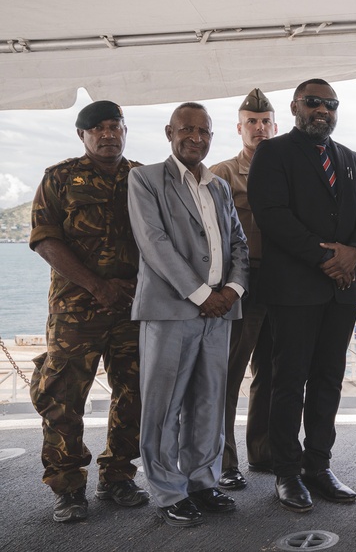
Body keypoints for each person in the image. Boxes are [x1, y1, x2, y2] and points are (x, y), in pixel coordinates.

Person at [247, 78, 356, 513]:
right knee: (289, 381)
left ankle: (318, 466)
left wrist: (355, 252)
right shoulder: (274, 152)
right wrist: (326, 257)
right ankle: (287, 471)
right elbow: (271, 214)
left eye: (330, 104)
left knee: (328, 381)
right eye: (313, 102)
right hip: (294, 290)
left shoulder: (351, 159)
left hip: (340, 292)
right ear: (295, 107)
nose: (322, 110)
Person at [128, 103, 250, 527]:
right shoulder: (144, 179)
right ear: (169, 132)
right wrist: (202, 294)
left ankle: (202, 481)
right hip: (171, 311)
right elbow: (154, 243)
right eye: (187, 129)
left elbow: (239, 242)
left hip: (221, 312)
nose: (195, 137)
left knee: (209, 401)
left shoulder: (217, 186)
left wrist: (232, 289)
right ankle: (167, 489)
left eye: (204, 131)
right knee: (164, 406)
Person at [28, 100, 149, 523]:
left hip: (133, 306)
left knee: (134, 392)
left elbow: (162, 239)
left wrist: (134, 287)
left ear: (125, 130)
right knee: (62, 397)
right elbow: (45, 240)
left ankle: (118, 475)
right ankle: (68, 486)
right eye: (96, 128)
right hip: (76, 309)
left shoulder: (144, 178)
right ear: (82, 136)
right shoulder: (59, 178)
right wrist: (96, 284)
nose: (107, 134)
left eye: (114, 126)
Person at [209, 88, 279, 490]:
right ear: (240, 128)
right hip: (241, 283)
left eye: (265, 121)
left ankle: (264, 451)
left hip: (281, 283)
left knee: (271, 372)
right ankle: (223, 460)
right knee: (229, 374)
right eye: (252, 122)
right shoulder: (222, 173)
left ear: (275, 125)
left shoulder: (287, 170)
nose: (259, 128)